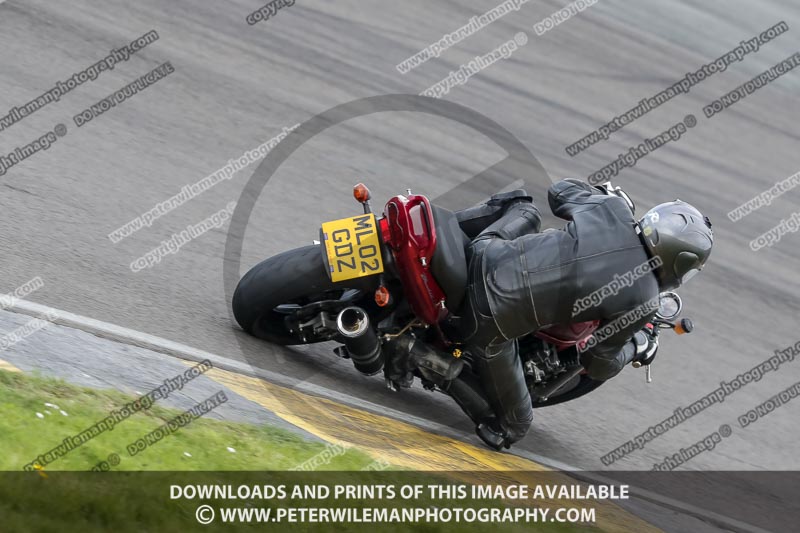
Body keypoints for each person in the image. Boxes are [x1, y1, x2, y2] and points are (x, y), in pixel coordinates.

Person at [442, 178, 714, 449]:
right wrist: (634, 346)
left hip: (483, 253)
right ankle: (437, 367)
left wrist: (600, 194)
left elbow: (559, 191)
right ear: (681, 261)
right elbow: (596, 361)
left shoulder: (613, 209)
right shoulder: (644, 299)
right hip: (489, 321)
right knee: (514, 425)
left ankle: (443, 230)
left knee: (523, 207)